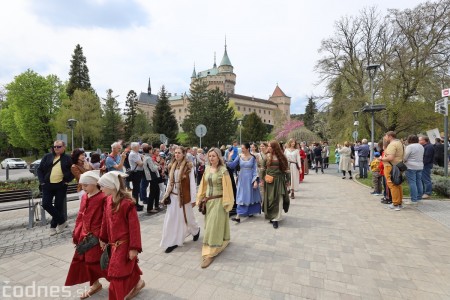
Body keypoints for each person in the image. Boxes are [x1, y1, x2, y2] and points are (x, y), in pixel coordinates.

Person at [98, 171, 145, 300]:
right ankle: (138, 283)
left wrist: (133, 248)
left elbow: (134, 228)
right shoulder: (107, 200)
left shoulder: (127, 204)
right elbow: (105, 220)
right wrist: (103, 238)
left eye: (102, 186)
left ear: (112, 185)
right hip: (113, 245)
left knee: (117, 275)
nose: (100, 188)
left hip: (124, 245)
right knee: (126, 267)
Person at [65, 171, 107, 299]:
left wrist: (103, 236)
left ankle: (124, 282)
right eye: (82, 185)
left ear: (94, 184)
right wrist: (76, 234)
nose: (83, 188)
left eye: (86, 185)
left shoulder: (103, 197)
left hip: (98, 236)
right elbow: (80, 216)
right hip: (84, 236)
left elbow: (106, 219)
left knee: (104, 262)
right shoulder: (84, 196)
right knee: (85, 262)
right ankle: (95, 283)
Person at [196, 148, 234, 268]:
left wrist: (227, 203)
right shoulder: (207, 169)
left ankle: (210, 253)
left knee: (213, 226)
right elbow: (203, 185)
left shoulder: (223, 171)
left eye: (214, 156)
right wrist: (200, 198)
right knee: (210, 225)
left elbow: (228, 188)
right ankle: (221, 241)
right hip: (208, 202)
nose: (211, 158)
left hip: (219, 201)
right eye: (210, 156)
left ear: (219, 157)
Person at [160, 146, 200, 253]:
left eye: (179, 153)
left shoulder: (188, 166)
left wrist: (193, 198)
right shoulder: (172, 165)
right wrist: (166, 194)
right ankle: (173, 241)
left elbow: (192, 183)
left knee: (189, 217)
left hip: (184, 196)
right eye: (175, 153)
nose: (176, 155)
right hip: (173, 196)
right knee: (171, 219)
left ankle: (196, 231)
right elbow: (170, 181)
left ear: (183, 154)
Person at [37, 140, 74, 236]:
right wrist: (42, 182)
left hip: (60, 186)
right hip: (47, 185)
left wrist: (67, 181)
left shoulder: (67, 158)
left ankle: (53, 227)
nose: (56, 148)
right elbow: (39, 169)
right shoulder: (47, 157)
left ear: (64, 147)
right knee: (45, 204)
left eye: (59, 146)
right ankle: (62, 221)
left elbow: (73, 170)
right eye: (55, 147)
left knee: (58, 206)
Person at [227, 143, 262, 223]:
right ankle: (238, 216)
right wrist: (229, 156)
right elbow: (232, 165)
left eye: (242, 148)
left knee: (251, 195)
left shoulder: (253, 158)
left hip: (250, 179)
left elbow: (255, 170)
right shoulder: (239, 156)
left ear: (247, 148)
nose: (241, 149)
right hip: (242, 179)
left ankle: (250, 211)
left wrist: (255, 181)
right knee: (241, 196)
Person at [263, 141, 290, 229]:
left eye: (271, 146)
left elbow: (286, 169)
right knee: (270, 199)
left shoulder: (281, 157)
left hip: (279, 180)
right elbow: (263, 169)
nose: (269, 148)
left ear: (275, 147)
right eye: (269, 146)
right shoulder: (267, 156)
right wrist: (262, 179)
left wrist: (288, 180)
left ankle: (276, 219)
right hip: (269, 181)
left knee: (279, 199)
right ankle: (271, 216)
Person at [381, 131, 405, 211]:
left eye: (386, 136)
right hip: (398, 166)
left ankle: (395, 203)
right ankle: (399, 202)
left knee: (392, 184)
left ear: (390, 136)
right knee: (398, 184)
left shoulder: (392, 145)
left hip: (390, 166)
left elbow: (390, 157)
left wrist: (381, 159)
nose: (385, 137)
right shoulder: (400, 143)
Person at [404, 135, 424, 205]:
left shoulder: (410, 147)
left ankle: (414, 200)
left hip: (411, 166)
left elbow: (405, 157)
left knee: (412, 183)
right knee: (419, 181)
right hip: (420, 166)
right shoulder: (421, 146)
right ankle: (419, 197)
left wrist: (404, 161)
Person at [128, 142, 145, 211]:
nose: (140, 147)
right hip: (136, 173)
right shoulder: (133, 154)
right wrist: (144, 160)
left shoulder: (136, 153)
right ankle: (135, 204)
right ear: (135, 147)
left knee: (137, 189)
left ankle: (136, 203)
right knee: (136, 189)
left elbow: (142, 156)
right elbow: (140, 164)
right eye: (138, 146)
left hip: (138, 172)